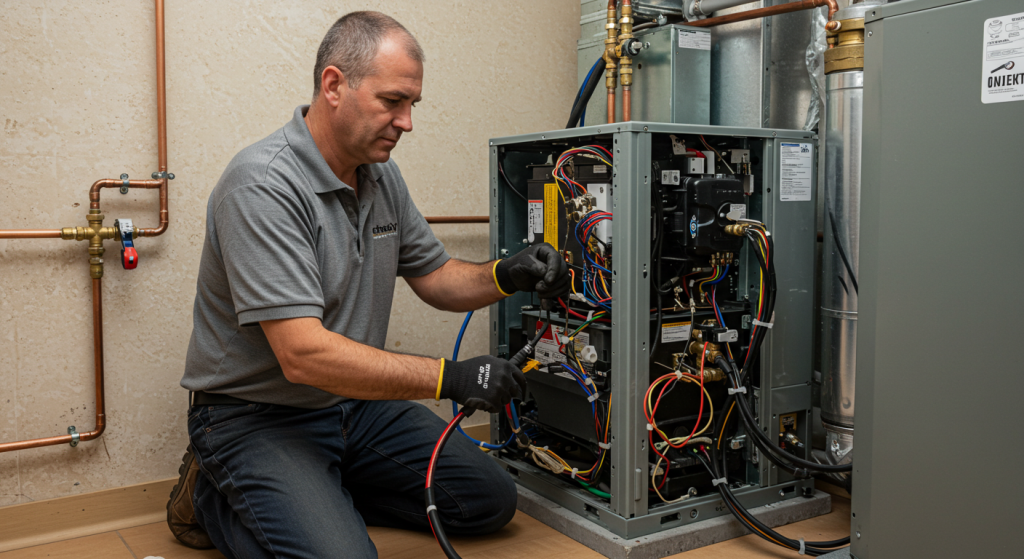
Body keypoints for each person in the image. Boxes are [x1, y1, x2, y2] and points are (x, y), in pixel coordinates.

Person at [165, 11, 569, 559]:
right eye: (392, 101)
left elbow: (435, 277)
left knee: (488, 500)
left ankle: (316, 494)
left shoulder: (380, 176)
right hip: (257, 415)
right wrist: (451, 377)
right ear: (334, 86)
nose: (406, 122)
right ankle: (216, 494)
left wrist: (506, 274)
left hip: (353, 405)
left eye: (412, 105)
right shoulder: (261, 186)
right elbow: (303, 355)